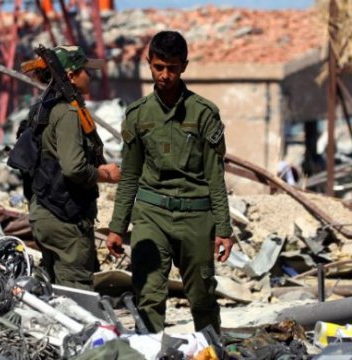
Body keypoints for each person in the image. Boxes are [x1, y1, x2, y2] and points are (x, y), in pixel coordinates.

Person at [106, 31, 233, 333]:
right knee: (148, 295)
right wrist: (117, 225)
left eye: (172, 68)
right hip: (152, 215)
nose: (165, 75)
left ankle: (210, 350)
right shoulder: (138, 115)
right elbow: (130, 174)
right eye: (159, 67)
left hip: (196, 218)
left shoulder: (204, 113)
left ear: (184, 66)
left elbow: (215, 175)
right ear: (149, 63)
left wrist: (224, 229)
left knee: (202, 297)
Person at [18, 45, 121, 290]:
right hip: (64, 218)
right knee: (77, 296)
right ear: (72, 75)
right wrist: (106, 174)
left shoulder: (43, 109)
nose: (91, 75)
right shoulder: (67, 113)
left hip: (45, 212)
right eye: (85, 70)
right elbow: (73, 168)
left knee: (56, 292)